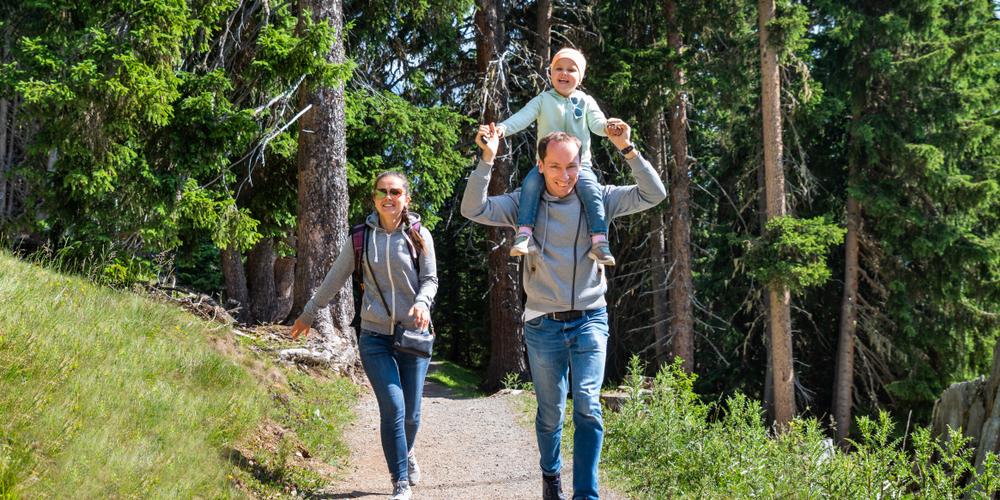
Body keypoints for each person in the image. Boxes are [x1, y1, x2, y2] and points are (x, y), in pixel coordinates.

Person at [461, 124, 665, 500]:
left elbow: (654, 193)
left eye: (571, 167)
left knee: (588, 405)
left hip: (591, 317)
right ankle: (550, 473)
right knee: (551, 413)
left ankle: (586, 494)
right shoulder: (526, 203)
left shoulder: (599, 199)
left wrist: (628, 149)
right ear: (541, 166)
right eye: (555, 167)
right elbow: (473, 208)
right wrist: (487, 159)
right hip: (543, 324)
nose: (564, 175)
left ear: (582, 165)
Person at [291, 171, 437, 500]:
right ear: (374, 198)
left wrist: (422, 303)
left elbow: (430, 279)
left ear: (406, 198)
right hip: (374, 338)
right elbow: (334, 277)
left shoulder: (418, 235)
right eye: (383, 191)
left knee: (412, 415)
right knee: (393, 408)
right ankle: (400, 481)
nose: (389, 197)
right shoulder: (361, 237)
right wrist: (309, 312)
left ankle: (407, 452)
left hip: (413, 334)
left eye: (395, 191)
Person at [477, 47, 623, 266]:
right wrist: (501, 129)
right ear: (551, 73)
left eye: (571, 70)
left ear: (580, 77)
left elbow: (597, 123)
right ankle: (525, 234)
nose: (564, 74)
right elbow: (522, 118)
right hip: (547, 165)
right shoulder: (543, 100)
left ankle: (599, 240)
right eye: (558, 69)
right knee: (530, 185)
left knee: (591, 189)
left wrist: (609, 128)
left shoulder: (585, 101)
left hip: (579, 165)